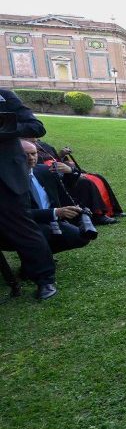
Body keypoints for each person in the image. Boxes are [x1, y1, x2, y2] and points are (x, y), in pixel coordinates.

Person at [0, 89, 57, 300]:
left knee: (23, 228)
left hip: (5, 175)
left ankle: (45, 279)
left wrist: (5, 129)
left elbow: (36, 127)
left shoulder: (4, 96)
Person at [21, 140, 92, 254]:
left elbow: (64, 190)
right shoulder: (8, 180)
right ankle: (37, 257)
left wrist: (70, 171)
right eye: (25, 154)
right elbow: (18, 213)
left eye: (33, 154)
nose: (31, 158)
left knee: (81, 236)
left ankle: (44, 253)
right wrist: (55, 212)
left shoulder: (45, 170)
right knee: (44, 233)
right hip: (23, 224)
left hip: (51, 220)